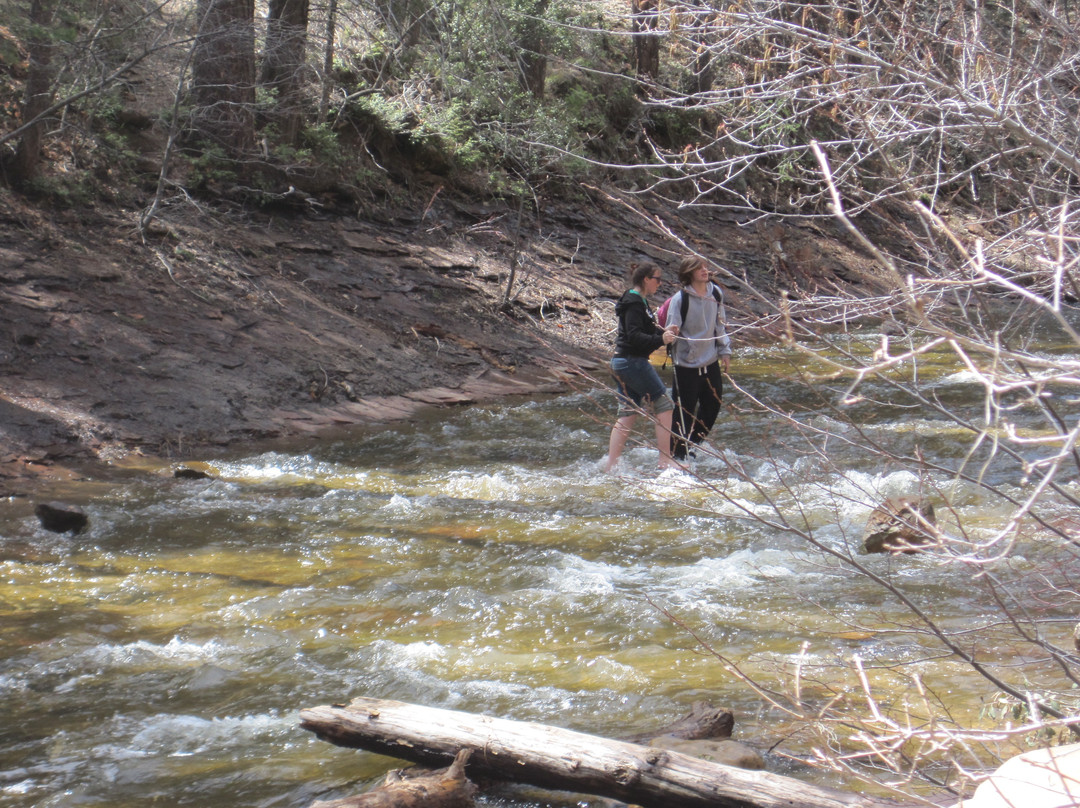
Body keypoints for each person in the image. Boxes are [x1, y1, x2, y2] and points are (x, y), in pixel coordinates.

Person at [605, 263, 679, 472]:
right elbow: (634, 336)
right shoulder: (634, 302)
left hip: (622, 362)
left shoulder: (639, 301)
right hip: (631, 362)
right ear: (646, 279)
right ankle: (665, 461)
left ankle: (611, 465)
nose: (659, 283)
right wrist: (661, 340)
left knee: (628, 412)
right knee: (665, 404)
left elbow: (641, 333)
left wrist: (664, 333)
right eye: (657, 279)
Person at [666, 255, 732, 461]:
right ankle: (676, 457)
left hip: (710, 360)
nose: (705, 270)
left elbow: (720, 325)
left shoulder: (717, 293)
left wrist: (725, 351)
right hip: (685, 364)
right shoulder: (680, 299)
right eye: (699, 268)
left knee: (713, 406)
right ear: (689, 273)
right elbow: (671, 330)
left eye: (705, 267)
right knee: (683, 413)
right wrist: (670, 334)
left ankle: (693, 446)